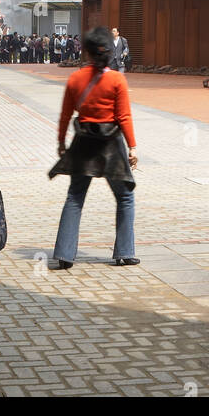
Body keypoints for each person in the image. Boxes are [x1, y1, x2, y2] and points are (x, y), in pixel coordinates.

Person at [50, 26, 139, 268]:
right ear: (109, 52)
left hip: (83, 142)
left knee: (75, 196)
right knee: (125, 196)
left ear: (86, 52)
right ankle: (124, 252)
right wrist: (132, 146)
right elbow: (124, 117)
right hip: (111, 144)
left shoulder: (75, 79)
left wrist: (61, 143)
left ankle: (65, 255)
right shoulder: (117, 79)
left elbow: (65, 115)